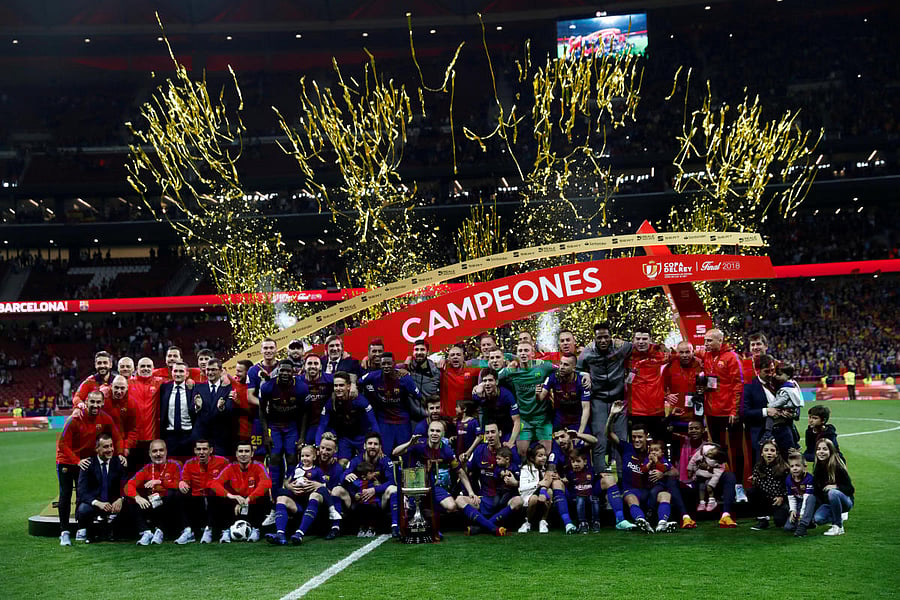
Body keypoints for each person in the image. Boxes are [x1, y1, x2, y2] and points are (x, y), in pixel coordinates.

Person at [393, 420, 505, 537]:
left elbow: (460, 472)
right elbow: (395, 452)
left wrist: (471, 492)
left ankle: (429, 516)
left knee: (451, 506)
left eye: (438, 431)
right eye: (432, 431)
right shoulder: (418, 443)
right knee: (413, 506)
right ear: (428, 432)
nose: (434, 433)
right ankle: (428, 526)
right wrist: (410, 443)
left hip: (432, 485)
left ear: (442, 434)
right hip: (414, 484)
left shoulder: (446, 450)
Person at [56, 391, 123, 546]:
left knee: (83, 495)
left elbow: (117, 437)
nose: (95, 405)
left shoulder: (105, 418)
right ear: (85, 402)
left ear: (102, 403)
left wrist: (120, 454)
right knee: (65, 496)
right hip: (67, 461)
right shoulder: (75, 419)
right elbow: (62, 444)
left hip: (84, 462)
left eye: (98, 402)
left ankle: (82, 528)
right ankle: (64, 532)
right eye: (92, 402)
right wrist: (76, 461)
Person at [606, 401, 675, 533]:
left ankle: (662, 524)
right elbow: (609, 434)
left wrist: (663, 474)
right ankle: (641, 521)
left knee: (665, 494)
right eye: (634, 437)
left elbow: (673, 471)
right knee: (630, 498)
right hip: (632, 492)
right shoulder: (626, 448)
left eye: (639, 437)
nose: (636, 440)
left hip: (650, 493)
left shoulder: (653, 452)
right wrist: (612, 416)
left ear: (646, 437)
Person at [578, 322, 632, 472]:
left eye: (606, 337)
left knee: (620, 439)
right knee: (600, 439)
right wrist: (585, 373)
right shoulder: (588, 352)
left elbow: (641, 346)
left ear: (611, 337)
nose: (603, 341)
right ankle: (600, 477)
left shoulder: (622, 347)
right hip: (598, 401)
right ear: (594, 338)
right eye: (599, 338)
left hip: (619, 399)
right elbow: (577, 368)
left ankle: (622, 477)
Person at [330, 432, 399, 539]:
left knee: (393, 489)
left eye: (375, 444)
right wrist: (346, 476)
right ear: (364, 445)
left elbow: (392, 481)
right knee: (336, 490)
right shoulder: (356, 460)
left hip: (377, 501)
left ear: (380, 447)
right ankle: (335, 528)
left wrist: (374, 490)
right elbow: (342, 477)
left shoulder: (385, 460)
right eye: (370, 443)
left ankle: (395, 526)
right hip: (358, 499)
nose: (372, 446)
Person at [699, 329, 744, 491]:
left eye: (710, 341)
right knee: (717, 451)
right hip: (712, 413)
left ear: (720, 340)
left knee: (736, 449)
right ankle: (721, 485)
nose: (706, 344)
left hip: (729, 413)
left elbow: (738, 385)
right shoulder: (706, 355)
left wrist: (734, 411)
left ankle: (738, 485)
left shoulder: (731, 357)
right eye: (705, 341)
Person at [259, 359, 308, 496]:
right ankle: (275, 497)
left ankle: (292, 495)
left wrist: (302, 436)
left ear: (293, 372)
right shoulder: (268, 386)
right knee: (274, 457)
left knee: (292, 457)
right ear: (278, 371)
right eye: (282, 370)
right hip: (274, 426)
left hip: (291, 427)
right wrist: (266, 435)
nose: (285, 373)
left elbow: (305, 413)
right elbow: (261, 411)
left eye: (288, 370)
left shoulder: (301, 388)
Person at [459, 422, 519, 535]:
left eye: (493, 432)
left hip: (503, 499)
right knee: (459, 500)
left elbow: (521, 475)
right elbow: (467, 472)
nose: (490, 435)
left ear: (499, 433)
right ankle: (492, 527)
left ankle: (481, 527)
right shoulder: (480, 450)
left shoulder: (509, 451)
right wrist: (463, 464)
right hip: (484, 499)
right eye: (487, 433)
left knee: (518, 501)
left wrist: (515, 483)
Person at [499, 341, 555, 457]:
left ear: (533, 354)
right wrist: (479, 386)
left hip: (542, 418)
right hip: (524, 419)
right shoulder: (512, 370)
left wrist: (583, 375)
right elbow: (494, 377)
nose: (523, 353)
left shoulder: (543, 366)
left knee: (546, 453)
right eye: (520, 351)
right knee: (521, 453)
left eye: (526, 350)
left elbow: (563, 369)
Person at [359, 352, 423, 455]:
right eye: (383, 364)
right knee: (384, 453)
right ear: (380, 364)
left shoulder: (404, 378)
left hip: (402, 421)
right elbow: (358, 382)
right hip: (384, 421)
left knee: (406, 453)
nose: (386, 366)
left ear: (394, 364)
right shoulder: (373, 376)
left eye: (389, 363)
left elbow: (419, 396)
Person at [209, 441, 272, 542]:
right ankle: (225, 530)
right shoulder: (231, 467)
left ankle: (256, 529)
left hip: (253, 503)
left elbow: (266, 483)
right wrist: (232, 496)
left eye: (247, 451)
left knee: (264, 492)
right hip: (235, 503)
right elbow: (214, 484)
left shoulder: (258, 466)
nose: (243, 454)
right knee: (214, 494)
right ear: (236, 454)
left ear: (252, 454)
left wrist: (249, 499)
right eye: (241, 451)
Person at [266, 444, 327, 546]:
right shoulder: (297, 469)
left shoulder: (317, 470)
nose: (304, 458)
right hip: (297, 504)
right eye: (302, 456)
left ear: (314, 457)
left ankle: (300, 534)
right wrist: (291, 487)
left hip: (311, 504)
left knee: (315, 496)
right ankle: (280, 534)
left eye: (307, 456)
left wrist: (315, 485)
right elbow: (286, 483)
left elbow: (325, 489)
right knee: (281, 497)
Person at [126, 439, 183, 545]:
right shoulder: (147, 468)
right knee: (131, 499)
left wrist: (160, 481)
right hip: (153, 502)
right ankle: (146, 532)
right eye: (154, 451)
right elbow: (128, 485)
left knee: (173, 494)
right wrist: (137, 497)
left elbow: (179, 484)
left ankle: (161, 531)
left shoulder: (175, 464)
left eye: (161, 450)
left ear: (166, 451)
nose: (158, 454)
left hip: (169, 503)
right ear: (149, 453)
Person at [316, 371, 380, 464]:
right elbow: (322, 425)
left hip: (361, 437)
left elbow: (373, 422)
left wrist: (379, 443)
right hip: (344, 438)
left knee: (368, 463)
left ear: (349, 386)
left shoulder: (360, 400)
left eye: (341, 385)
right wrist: (318, 444)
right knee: (341, 463)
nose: (338, 388)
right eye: (336, 386)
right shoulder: (331, 402)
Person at [74, 433, 128, 543]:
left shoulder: (119, 462)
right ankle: (89, 532)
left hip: (113, 502)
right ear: (97, 449)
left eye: (111, 446)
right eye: (105, 447)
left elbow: (126, 484)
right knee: (84, 509)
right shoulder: (87, 464)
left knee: (130, 505)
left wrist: (120, 499)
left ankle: (115, 532)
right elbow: (82, 491)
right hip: (95, 502)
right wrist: (97, 503)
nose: (110, 449)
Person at [175, 439, 230, 544]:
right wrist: (181, 482)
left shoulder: (222, 462)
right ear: (195, 450)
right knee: (180, 493)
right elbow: (185, 481)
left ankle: (210, 530)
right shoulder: (189, 463)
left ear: (211, 450)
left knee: (215, 492)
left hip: (217, 498)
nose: (201, 452)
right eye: (199, 449)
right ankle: (188, 531)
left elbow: (229, 480)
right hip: (197, 500)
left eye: (204, 449)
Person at [626, 326, 670, 442]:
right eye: (638, 339)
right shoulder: (626, 356)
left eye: (644, 339)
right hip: (635, 411)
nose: (641, 342)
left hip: (656, 410)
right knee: (636, 446)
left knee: (659, 445)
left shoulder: (660, 354)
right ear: (633, 340)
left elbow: (680, 355)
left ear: (650, 340)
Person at [128, 357, 166, 472]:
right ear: (136, 369)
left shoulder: (160, 382)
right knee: (132, 472)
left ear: (153, 369)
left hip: (152, 438)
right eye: (142, 366)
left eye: (148, 366)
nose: (146, 368)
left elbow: (181, 376)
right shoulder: (128, 383)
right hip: (133, 439)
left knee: (151, 473)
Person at [191, 358, 233, 457]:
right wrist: (197, 406)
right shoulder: (198, 387)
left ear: (221, 371)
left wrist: (222, 408)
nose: (210, 372)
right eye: (208, 370)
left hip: (220, 437)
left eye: (213, 369)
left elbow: (230, 411)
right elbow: (191, 410)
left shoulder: (228, 388)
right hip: (201, 436)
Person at [540, 353, 590, 435]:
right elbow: (540, 398)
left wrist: (580, 433)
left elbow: (586, 408)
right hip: (559, 421)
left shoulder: (582, 381)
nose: (562, 367)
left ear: (574, 368)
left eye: (566, 365)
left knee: (584, 443)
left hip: (577, 421)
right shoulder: (553, 377)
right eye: (561, 363)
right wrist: (537, 393)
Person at [741, 354, 778, 465]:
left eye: (772, 370)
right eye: (767, 371)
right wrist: (766, 411)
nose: (771, 374)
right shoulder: (749, 387)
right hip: (760, 434)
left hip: (782, 432)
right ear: (757, 370)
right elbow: (744, 412)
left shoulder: (779, 383)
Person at [812, 439, 854, 536]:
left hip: (845, 501)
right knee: (818, 519)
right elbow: (817, 491)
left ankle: (838, 526)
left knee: (832, 492)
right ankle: (839, 515)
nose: (821, 452)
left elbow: (850, 489)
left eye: (825, 449)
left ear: (831, 451)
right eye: (818, 449)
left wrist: (836, 486)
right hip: (828, 503)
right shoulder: (817, 467)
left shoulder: (837, 467)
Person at [747, 439, 789, 531]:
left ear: (777, 453)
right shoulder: (758, 467)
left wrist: (782, 497)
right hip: (765, 499)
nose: (769, 453)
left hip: (780, 500)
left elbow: (790, 487)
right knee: (751, 491)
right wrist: (754, 481)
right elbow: (757, 487)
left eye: (772, 450)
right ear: (762, 453)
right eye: (766, 450)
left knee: (780, 522)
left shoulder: (784, 468)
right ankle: (762, 519)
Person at [472, 368, 520, 447]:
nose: (487, 383)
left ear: (496, 382)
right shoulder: (477, 394)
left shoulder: (507, 395)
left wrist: (511, 442)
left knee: (509, 452)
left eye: (490, 380)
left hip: (506, 429)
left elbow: (517, 420)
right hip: (488, 429)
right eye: (485, 381)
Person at [159, 362, 198, 458]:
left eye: (181, 371)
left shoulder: (193, 388)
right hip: (169, 436)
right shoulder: (164, 387)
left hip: (189, 435)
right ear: (171, 372)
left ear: (187, 374)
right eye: (175, 371)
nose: (178, 374)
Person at [515, 443, 553, 533]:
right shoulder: (526, 469)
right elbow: (522, 487)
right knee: (534, 498)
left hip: (541, 496)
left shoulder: (545, 469)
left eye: (544, 455)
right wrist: (538, 484)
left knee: (550, 491)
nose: (543, 458)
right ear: (532, 458)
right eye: (540, 456)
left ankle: (543, 521)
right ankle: (527, 522)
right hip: (528, 497)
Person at [764, 362, 803, 447]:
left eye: (773, 371)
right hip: (775, 421)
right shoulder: (787, 384)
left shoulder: (790, 385)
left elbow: (797, 401)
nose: (774, 375)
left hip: (785, 423)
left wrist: (794, 413)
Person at [437, 345, 481, 419]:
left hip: (466, 418)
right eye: (452, 355)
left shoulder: (473, 371)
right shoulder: (442, 370)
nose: (455, 357)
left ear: (463, 357)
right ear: (448, 358)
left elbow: (490, 371)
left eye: (458, 354)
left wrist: (506, 363)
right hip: (447, 418)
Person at [299, 353, 334, 444]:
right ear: (304, 366)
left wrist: (353, 385)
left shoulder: (329, 379)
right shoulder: (298, 381)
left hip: (325, 423)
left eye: (316, 363)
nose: (313, 366)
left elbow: (348, 378)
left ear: (321, 366)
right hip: (303, 425)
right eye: (310, 363)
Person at [568, 448, 602, 534]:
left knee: (594, 498)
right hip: (577, 496)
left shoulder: (591, 472)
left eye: (578, 461)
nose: (575, 464)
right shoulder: (570, 474)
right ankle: (582, 523)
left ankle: (596, 522)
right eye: (573, 462)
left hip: (590, 495)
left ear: (585, 462)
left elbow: (598, 482)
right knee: (580, 499)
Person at [687, 443, 728, 513]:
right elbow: (693, 459)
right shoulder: (703, 450)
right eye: (711, 450)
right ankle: (702, 503)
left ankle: (712, 501)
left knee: (708, 487)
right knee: (701, 487)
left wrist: (711, 484)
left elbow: (717, 475)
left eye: (711, 454)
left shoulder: (718, 463)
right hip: (700, 475)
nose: (709, 452)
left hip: (710, 477)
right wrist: (690, 469)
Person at [784, 450, 816, 537]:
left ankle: (803, 525)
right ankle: (809, 522)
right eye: (792, 466)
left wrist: (801, 515)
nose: (794, 468)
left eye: (797, 465)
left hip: (810, 503)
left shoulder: (809, 478)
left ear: (804, 466)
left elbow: (806, 497)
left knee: (811, 498)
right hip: (799, 503)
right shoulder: (788, 479)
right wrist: (793, 510)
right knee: (788, 527)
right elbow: (791, 497)